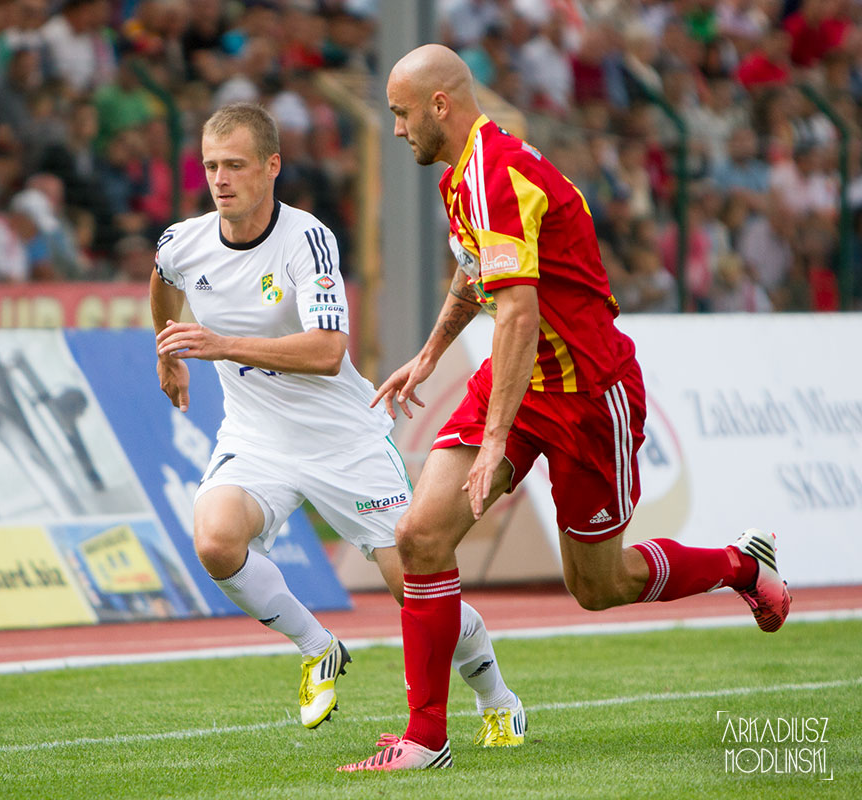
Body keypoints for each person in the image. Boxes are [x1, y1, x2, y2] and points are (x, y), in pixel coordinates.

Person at [338, 45, 791, 773]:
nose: (396, 128)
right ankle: (426, 739)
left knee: (597, 587)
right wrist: (430, 354)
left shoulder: (494, 173)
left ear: (439, 105)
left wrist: (494, 441)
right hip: (520, 381)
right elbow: (474, 272)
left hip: (587, 394)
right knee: (419, 536)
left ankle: (743, 565)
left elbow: (519, 314)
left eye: (401, 113)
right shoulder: (464, 175)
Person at [151, 102, 521, 743]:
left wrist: (219, 344)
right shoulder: (182, 242)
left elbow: (327, 352)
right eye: (211, 166)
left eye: (235, 165)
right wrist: (167, 353)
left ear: (272, 166)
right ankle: (317, 646)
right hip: (257, 439)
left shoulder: (307, 238)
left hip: (343, 440)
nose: (220, 179)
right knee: (214, 541)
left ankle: (497, 698)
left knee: (415, 589)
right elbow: (162, 281)